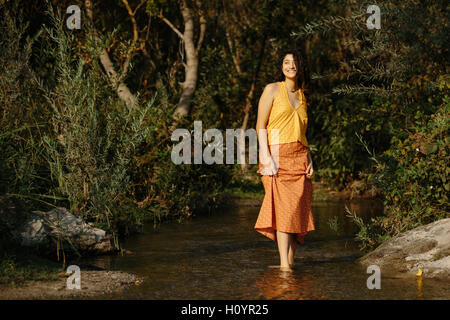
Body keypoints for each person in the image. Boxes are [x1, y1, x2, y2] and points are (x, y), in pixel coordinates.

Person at [254, 49, 315, 272]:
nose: (290, 66)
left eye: (294, 62)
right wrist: (266, 158)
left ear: (300, 66)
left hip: (300, 157)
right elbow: (260, 126)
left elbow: (302, 132)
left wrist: (309, 159)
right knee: (284, 212)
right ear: (281, 66)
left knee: (298, 211)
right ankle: (284, 268)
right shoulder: (272, 90)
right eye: (286, 62)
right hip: (276, 158)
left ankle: (290, 263)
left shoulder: (302, 95)